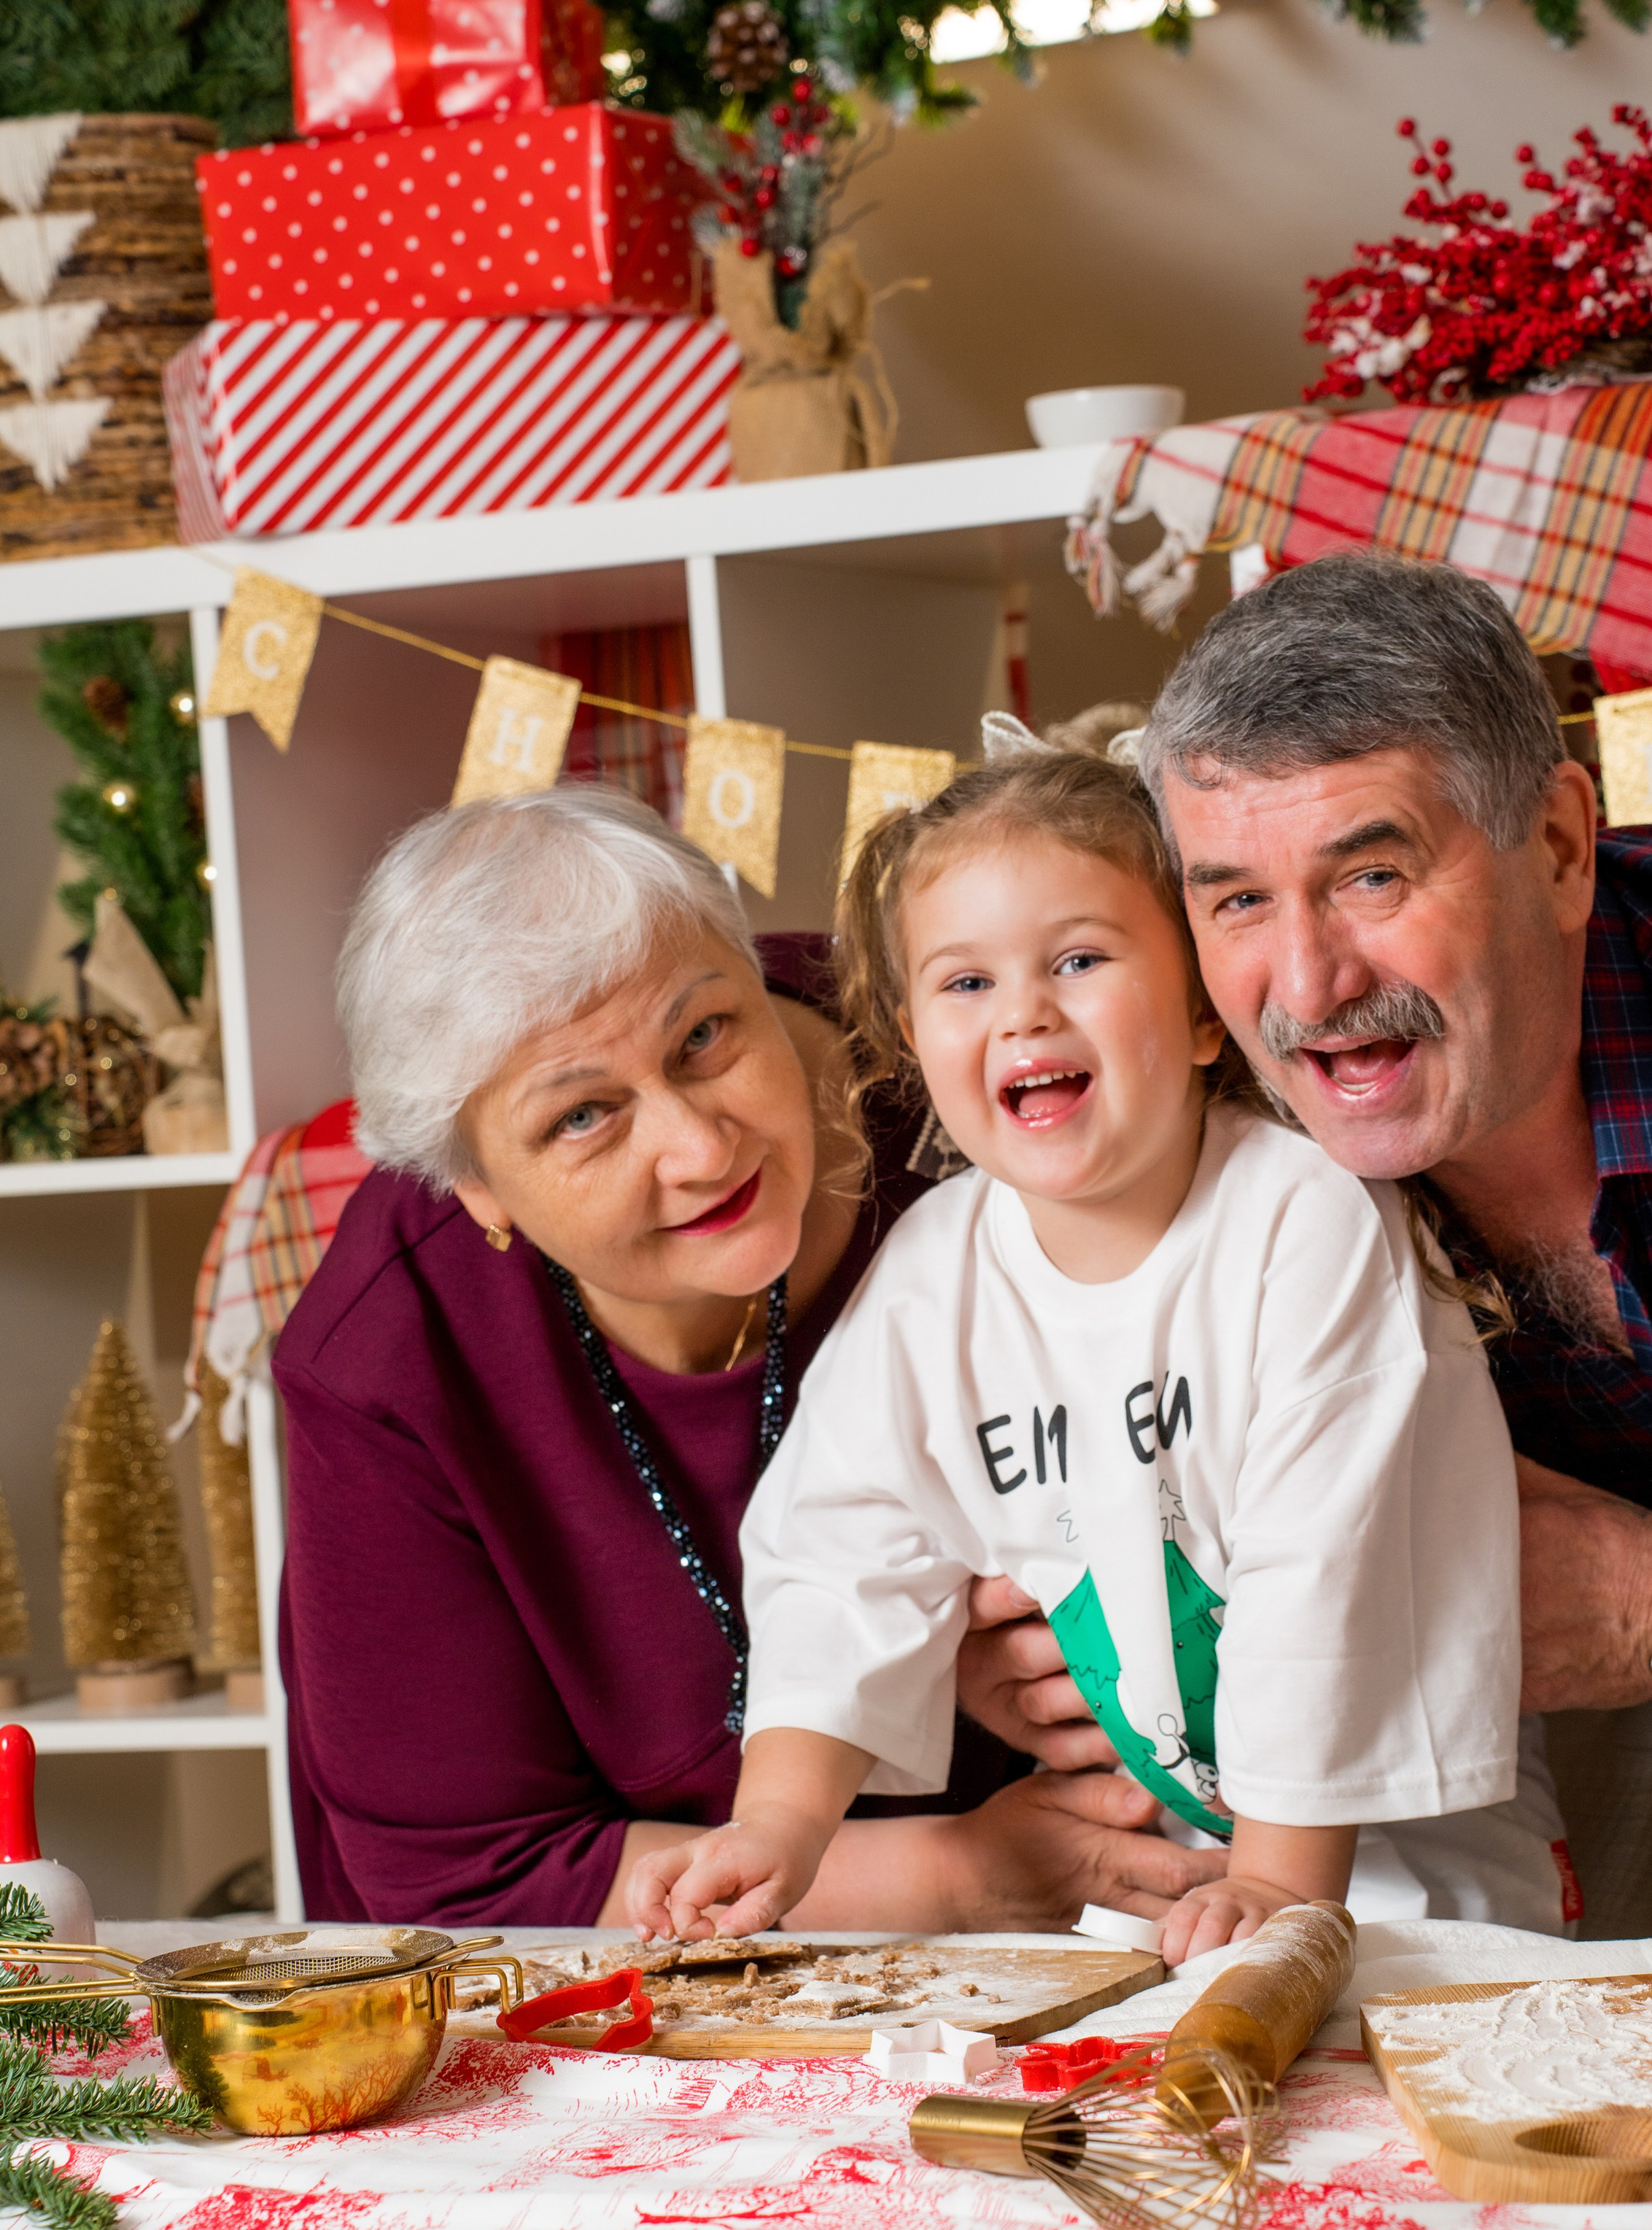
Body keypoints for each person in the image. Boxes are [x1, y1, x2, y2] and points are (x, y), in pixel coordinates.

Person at [629, 748, 1542, 1966]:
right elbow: (838, 1554)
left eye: (1079, 961)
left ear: (1202, 1006)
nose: (1024, 1014)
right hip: (1178, 1890)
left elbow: (1331, 1571)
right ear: (912, 1039)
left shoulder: (1301, 1219)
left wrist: (1282, 1881)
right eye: (965, 982)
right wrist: (783, 1825)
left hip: (1411, 1872)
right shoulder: (933, 1277)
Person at [273, 783, 1230, 1929]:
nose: (698, 1147)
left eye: (706, 1037)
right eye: (582, 1118)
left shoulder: (989, 1060)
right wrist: (959, 1877)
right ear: (473, 1185)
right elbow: (466, 1876)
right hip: (664, 1976)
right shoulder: (389, 1353)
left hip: (1166, 1871)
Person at [1116, 546, 1652, 1949]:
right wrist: (1034, 1633)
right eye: (1235, 901)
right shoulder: (1204, 1147)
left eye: (1373, 875)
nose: (1309, 987)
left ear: (1564, 848)